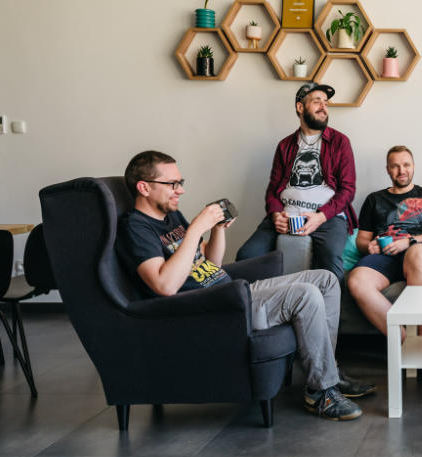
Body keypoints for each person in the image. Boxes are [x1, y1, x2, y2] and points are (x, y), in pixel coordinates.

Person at [116, 151, 374, 422]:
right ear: (144, 187)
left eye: (180, 182)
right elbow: (164, 285)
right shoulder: (136, 228)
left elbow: (211, 263)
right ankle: (321, 393)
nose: (180, 190)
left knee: (325, 280)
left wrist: (217, 229)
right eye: (172, 184)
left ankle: (328, 370)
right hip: (212, 307)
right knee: (305, 294)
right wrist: (196, 229)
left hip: (231, 292)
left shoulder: (171, 217)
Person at [236, 82, 357, 281]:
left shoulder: (340, 142)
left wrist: (321, 216)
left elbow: (348, 189)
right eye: (317, 101)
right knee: (246, 257)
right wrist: (276, 215)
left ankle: (329, 303)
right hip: (287, 214)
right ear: (300, 107)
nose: (323, 107)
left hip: (328, 217)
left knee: (330, 262)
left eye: (326, 103)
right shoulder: (285, 145)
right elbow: (273, 189)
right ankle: (263, 300)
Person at [348, 145, 422, 339]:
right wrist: (370, 247)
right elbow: (362, 240)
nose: (401, 170)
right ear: (388, 169)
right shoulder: (374, 199)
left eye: (406, 165)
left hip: (420, 253)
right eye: (395, 166)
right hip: (385, 255)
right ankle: (405, 342)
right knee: (357, 281)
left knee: (419, 252)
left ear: (413, 166)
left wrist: (408, 242)